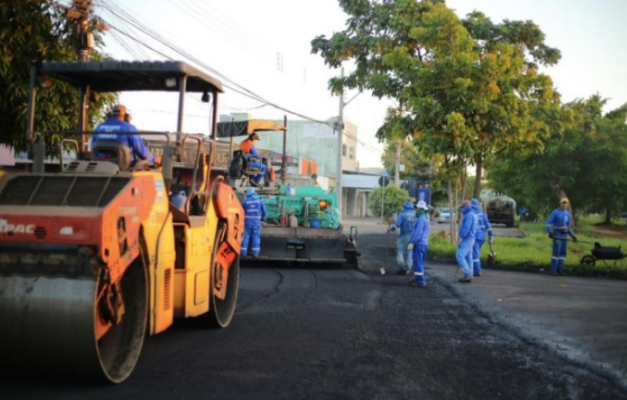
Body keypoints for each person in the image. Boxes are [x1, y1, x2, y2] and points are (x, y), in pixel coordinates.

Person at [92, 104, 158, 166]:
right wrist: (155, 159)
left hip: (101, 164)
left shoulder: (99, 127)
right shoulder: (130, 128)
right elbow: (140, 150)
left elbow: (93, 146)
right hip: (123, 166)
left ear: (109, 115)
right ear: (127, 116)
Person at [546, 198, 577, 276]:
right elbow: (548, 223)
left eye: (565, 203)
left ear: (567, 204)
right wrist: (550, 232)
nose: (564, 205)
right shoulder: (555, 212)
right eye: (562, 203)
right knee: (556, 252)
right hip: (557, 234)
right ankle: (553, 270)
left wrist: (573, 236)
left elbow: (569, 227)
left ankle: (559, 269)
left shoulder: (568, 214)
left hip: (564, 235)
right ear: (560, 204)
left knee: (562, 253)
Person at [390, 200, 417, 275]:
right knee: (410, 252)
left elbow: (397, 225)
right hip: (413, 237)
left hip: (404, 236)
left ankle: (402, 267)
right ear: (412, 207)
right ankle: (408, 270)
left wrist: (391, 228)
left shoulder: (402, 214)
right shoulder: (416, 214)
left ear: (404, 207)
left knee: (400, 251)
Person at [241, 187, 267, 257]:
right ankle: (255, 253)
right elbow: (264, 212)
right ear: (254, 192)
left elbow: (240, 211)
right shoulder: (260, 201)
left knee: (245, 237)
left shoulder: (244, 201)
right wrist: (263, 219)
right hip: (256, 223)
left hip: (247, 223)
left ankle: (243, 253)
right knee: (256, 237)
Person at [470, 198, 494, 277]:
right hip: (481, 237)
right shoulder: (482, 213)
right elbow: (488, 226)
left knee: (475, 254)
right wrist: (491, 236)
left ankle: (477, 271)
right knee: (475, 252)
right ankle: (473, 268)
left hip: (474, 236)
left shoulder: (470, 213)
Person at [409, 200, 430, 287]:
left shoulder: (421, 219)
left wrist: (412, 242)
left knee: (417, 262)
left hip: (419, 243)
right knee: (420, 262)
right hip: (424, 243)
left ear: (420, 208)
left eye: (417, 207)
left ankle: (420, 281)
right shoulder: (425, 217)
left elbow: (418, 233)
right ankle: (419, 278)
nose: (416, 209)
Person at [456, 200, 476, 283]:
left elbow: (466, 228)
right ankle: (469, 274)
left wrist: (461, 237)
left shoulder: (468, 216)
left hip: (467, 239)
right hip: (471, 239)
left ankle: (467, 274)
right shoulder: (471, 214)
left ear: (465, 207)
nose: (461, 210)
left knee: (459, 255)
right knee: (468, 257)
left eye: (462, 207)